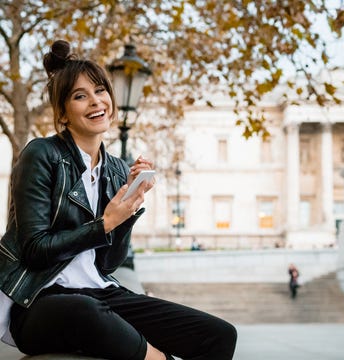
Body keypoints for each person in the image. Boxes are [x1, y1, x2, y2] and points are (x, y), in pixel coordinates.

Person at [0, 40, 237, 360]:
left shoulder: (115, 169)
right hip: (36, 302)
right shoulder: (42, 154)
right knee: (86, 311)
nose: (96, 102)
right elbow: (34, 249)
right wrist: (106, 222)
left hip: (101, 292)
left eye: (100, 90)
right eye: (80, 96)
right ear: (63, 112)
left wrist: (129, 206)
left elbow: (110, 264)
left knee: (219, 335)